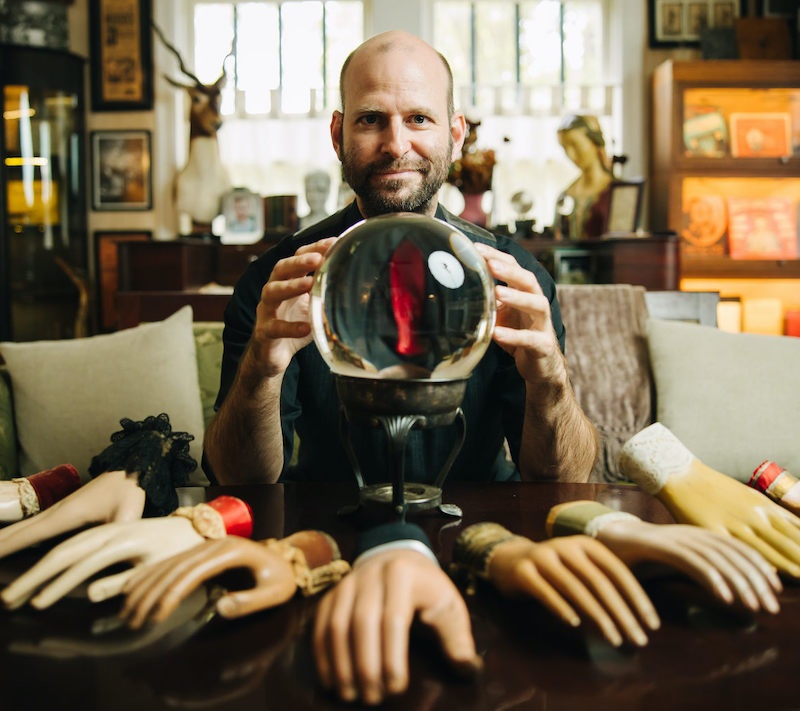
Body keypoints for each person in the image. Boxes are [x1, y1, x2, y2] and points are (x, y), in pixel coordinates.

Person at [203, 30, 597, 487]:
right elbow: (235, 479)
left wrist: (550, 378)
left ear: (455, 135)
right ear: (337, 135)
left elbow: (566, 479)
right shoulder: (277, 282)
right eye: (371, 119)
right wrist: (261, 369)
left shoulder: (515, 277)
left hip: (484, 518)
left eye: (418, 119)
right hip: (327, 520)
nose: (395, 144)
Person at [553, 114, 614, 240]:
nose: (570, 154)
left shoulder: (618, 191)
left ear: (594, 143)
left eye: (575, 145)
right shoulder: (566, 195)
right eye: (565, 148)